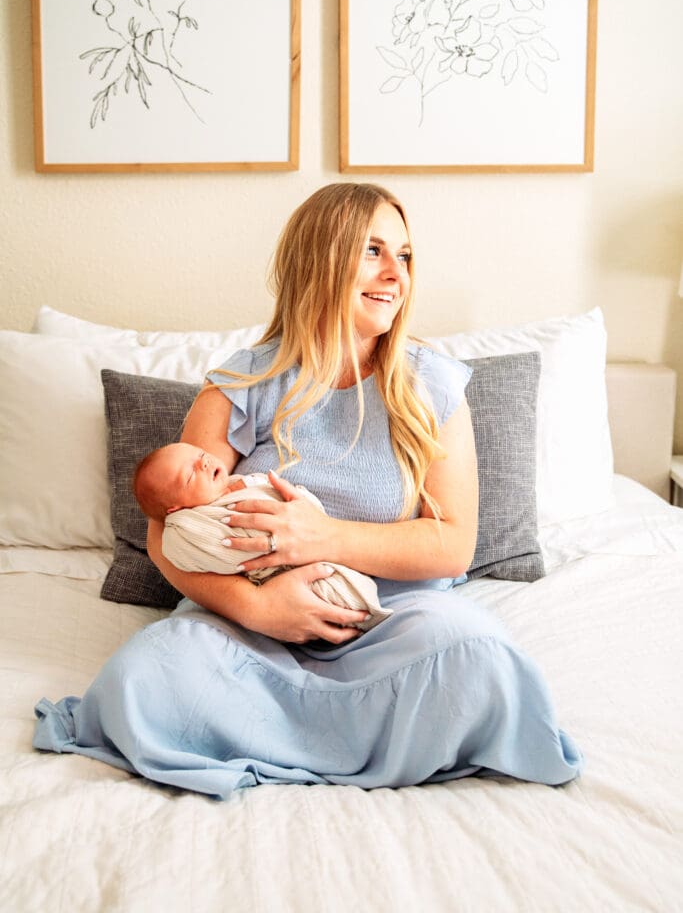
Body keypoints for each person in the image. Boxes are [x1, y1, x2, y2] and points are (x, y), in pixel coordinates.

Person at [34, 182, 581, 799]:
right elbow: (169, 533)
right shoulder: (245, 381)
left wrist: (322, 538)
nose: (395, 273)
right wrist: (259, 610)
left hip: (388, 621)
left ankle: (275, 736)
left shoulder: (431, 385)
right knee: (146, 675)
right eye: (373, 250)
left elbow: (453, 546)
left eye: (404, 255)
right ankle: (370, 735)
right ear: (320, 258)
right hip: (249, 625)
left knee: (481, 659)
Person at [132, 442, 393, 630]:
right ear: (176, 510)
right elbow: (226, 552)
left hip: (329, 553)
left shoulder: (238, 483)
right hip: (282, 585)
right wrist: (258, 607)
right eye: (190, 475)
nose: (204, 462)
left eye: (201, 454)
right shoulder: (189, 528)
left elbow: (308, 513)